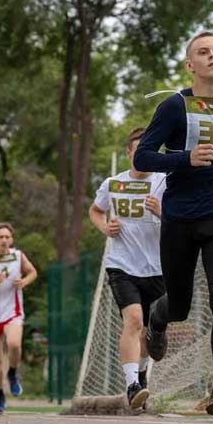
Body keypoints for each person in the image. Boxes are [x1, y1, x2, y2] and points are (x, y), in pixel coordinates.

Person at [134, 31, 213, 416]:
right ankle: (156, 323)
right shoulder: (174, 107)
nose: (212, 56)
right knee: (179, 308)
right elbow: (143, 157)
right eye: (203, 52)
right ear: (191, 65)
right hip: (179, 221)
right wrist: (185, 159)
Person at [89, 127, 166, 409]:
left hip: (158, 268)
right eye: (139, 149)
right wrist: (105, 227)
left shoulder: (164, 182)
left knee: (148, 330)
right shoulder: (113, 184)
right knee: (133, 320)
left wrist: (162, 211)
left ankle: (142, 374)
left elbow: (181, 219)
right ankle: (132, 386)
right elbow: (95, 211)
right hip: (121, 265)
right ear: (129, 153)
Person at [0, 223, 38, 413]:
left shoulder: (18, 256)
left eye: (7, 237)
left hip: (13, 311)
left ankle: (12, 372)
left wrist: (24, 281)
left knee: (14, 344)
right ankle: (0, 395)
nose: (4, 240)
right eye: (0, 237)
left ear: (11, 240)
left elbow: (33, 272)